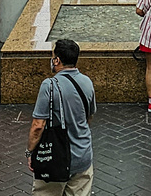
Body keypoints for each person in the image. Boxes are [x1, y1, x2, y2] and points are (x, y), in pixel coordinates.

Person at [28, 38, 96, 195]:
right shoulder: (87, 82)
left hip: (55, 160)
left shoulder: (49, 85)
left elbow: (38, 126)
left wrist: (30, 152)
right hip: (83, 157)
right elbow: (88, 118)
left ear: (57, 60)